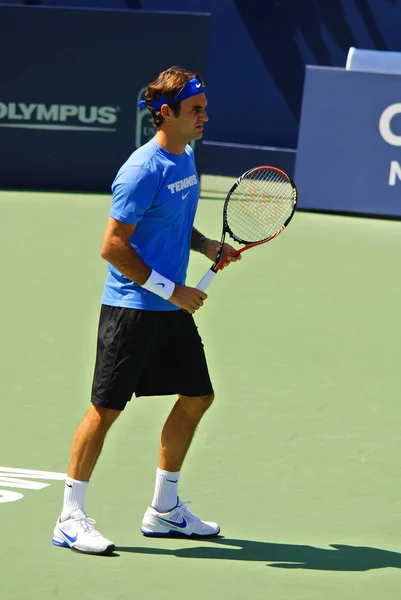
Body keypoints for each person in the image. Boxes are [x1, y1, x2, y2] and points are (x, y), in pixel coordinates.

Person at [52, 66, 240, 555]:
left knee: (198, 397)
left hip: (167, 307)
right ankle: (70, 517)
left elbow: (176, 224)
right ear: (166, 114)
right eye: (195, 110)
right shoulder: (142, 168)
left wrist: (206, 246)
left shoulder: (187, 157)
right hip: (132, 307)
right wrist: (171, 289)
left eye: (203, 107)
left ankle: (164, 510)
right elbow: (113, 246)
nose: (204, 116)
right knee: (106, 408)